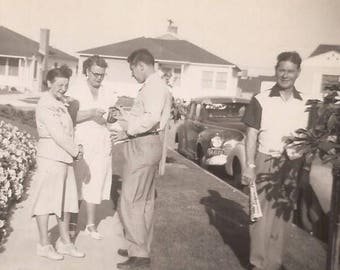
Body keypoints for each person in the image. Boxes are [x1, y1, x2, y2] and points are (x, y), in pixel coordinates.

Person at [242, 51, 308, 270]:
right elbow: (251, 134)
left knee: (283, 215)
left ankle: (274, 263)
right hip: (264, 160)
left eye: (290, 71)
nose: (285, 75)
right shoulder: (260, 99)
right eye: (281, 70)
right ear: (275, 71)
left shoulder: (306, 104)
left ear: (298, 73)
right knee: (258, 214)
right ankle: (257, 263)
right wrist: (250, 166)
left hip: (291, 164)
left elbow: (309, 140)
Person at [111, 49, 172, 270]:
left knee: (130, 200)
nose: (132, 74)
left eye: (132, 70)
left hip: (144, 145)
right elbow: (146, 117)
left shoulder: (154, 86)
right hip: (148, 143)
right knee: (144, 201)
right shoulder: (155, 85)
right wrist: (125, 118)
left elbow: (152, 118)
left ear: (141, 66)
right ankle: (138, 248)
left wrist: (128, 130)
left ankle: (139, 255)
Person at [31, 65, 85, 260]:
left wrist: (74, 149)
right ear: (49, 83)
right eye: (60, 84)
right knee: (45, 202)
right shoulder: (45, 104)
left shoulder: (59, 101)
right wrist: (76, 150)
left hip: (64, 158)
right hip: (51, 157)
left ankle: (64, 243)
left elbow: (68, 132)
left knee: (66, 201)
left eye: (66, 84)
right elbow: (58, 134)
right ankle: (44, 245)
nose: (63, 88)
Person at [68, 55, 117, 239]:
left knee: (96, 182)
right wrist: (91, 113)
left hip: (102, 141)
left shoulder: (107, 92)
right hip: (81, 141)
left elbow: (111, 118)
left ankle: (90, 224)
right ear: (87, 71)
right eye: (96, 74)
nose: (98, 78)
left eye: (102, 75)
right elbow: (70, 116)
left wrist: (112, 117)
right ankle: (73, 221)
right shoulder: (76, 90)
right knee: (78, 182)